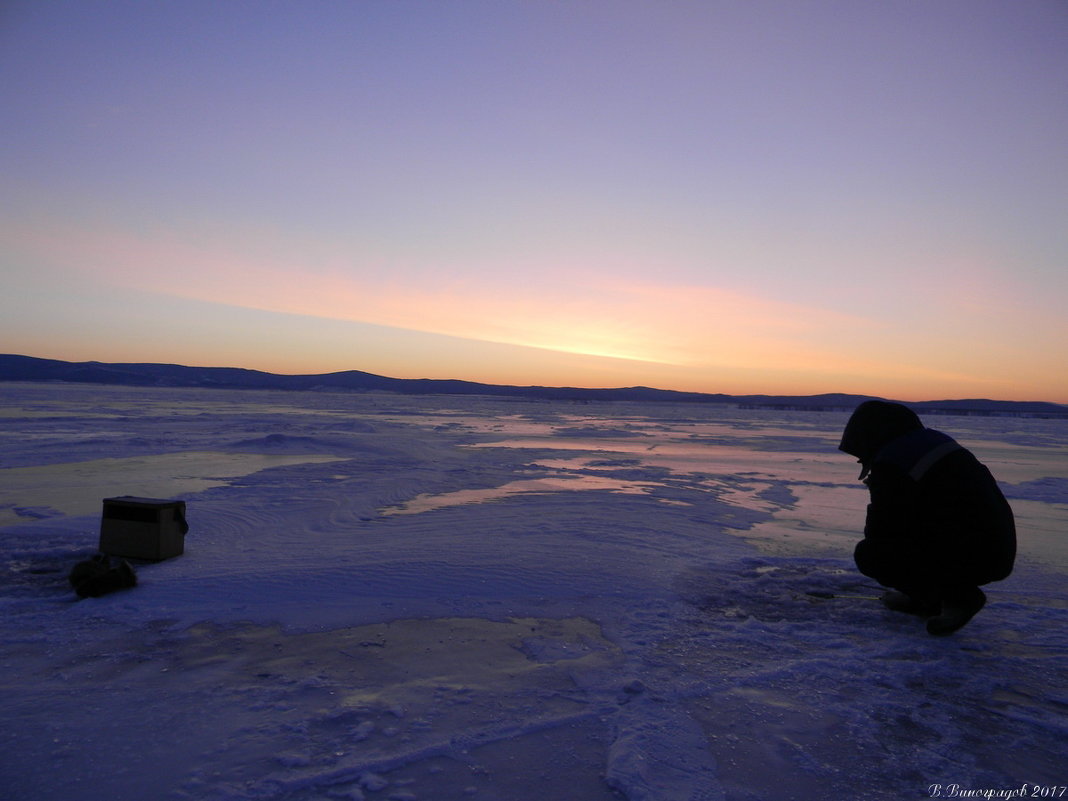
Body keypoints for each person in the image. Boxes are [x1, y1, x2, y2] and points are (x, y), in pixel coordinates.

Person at [838, 400, 1016, 635]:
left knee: (871, 555)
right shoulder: (932, 443)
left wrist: (879, 492)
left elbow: (882, 531)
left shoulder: (894, 462)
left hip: (974, 554)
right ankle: (927, 599)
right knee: (907, 538)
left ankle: (959, 598)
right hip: (996, 550)